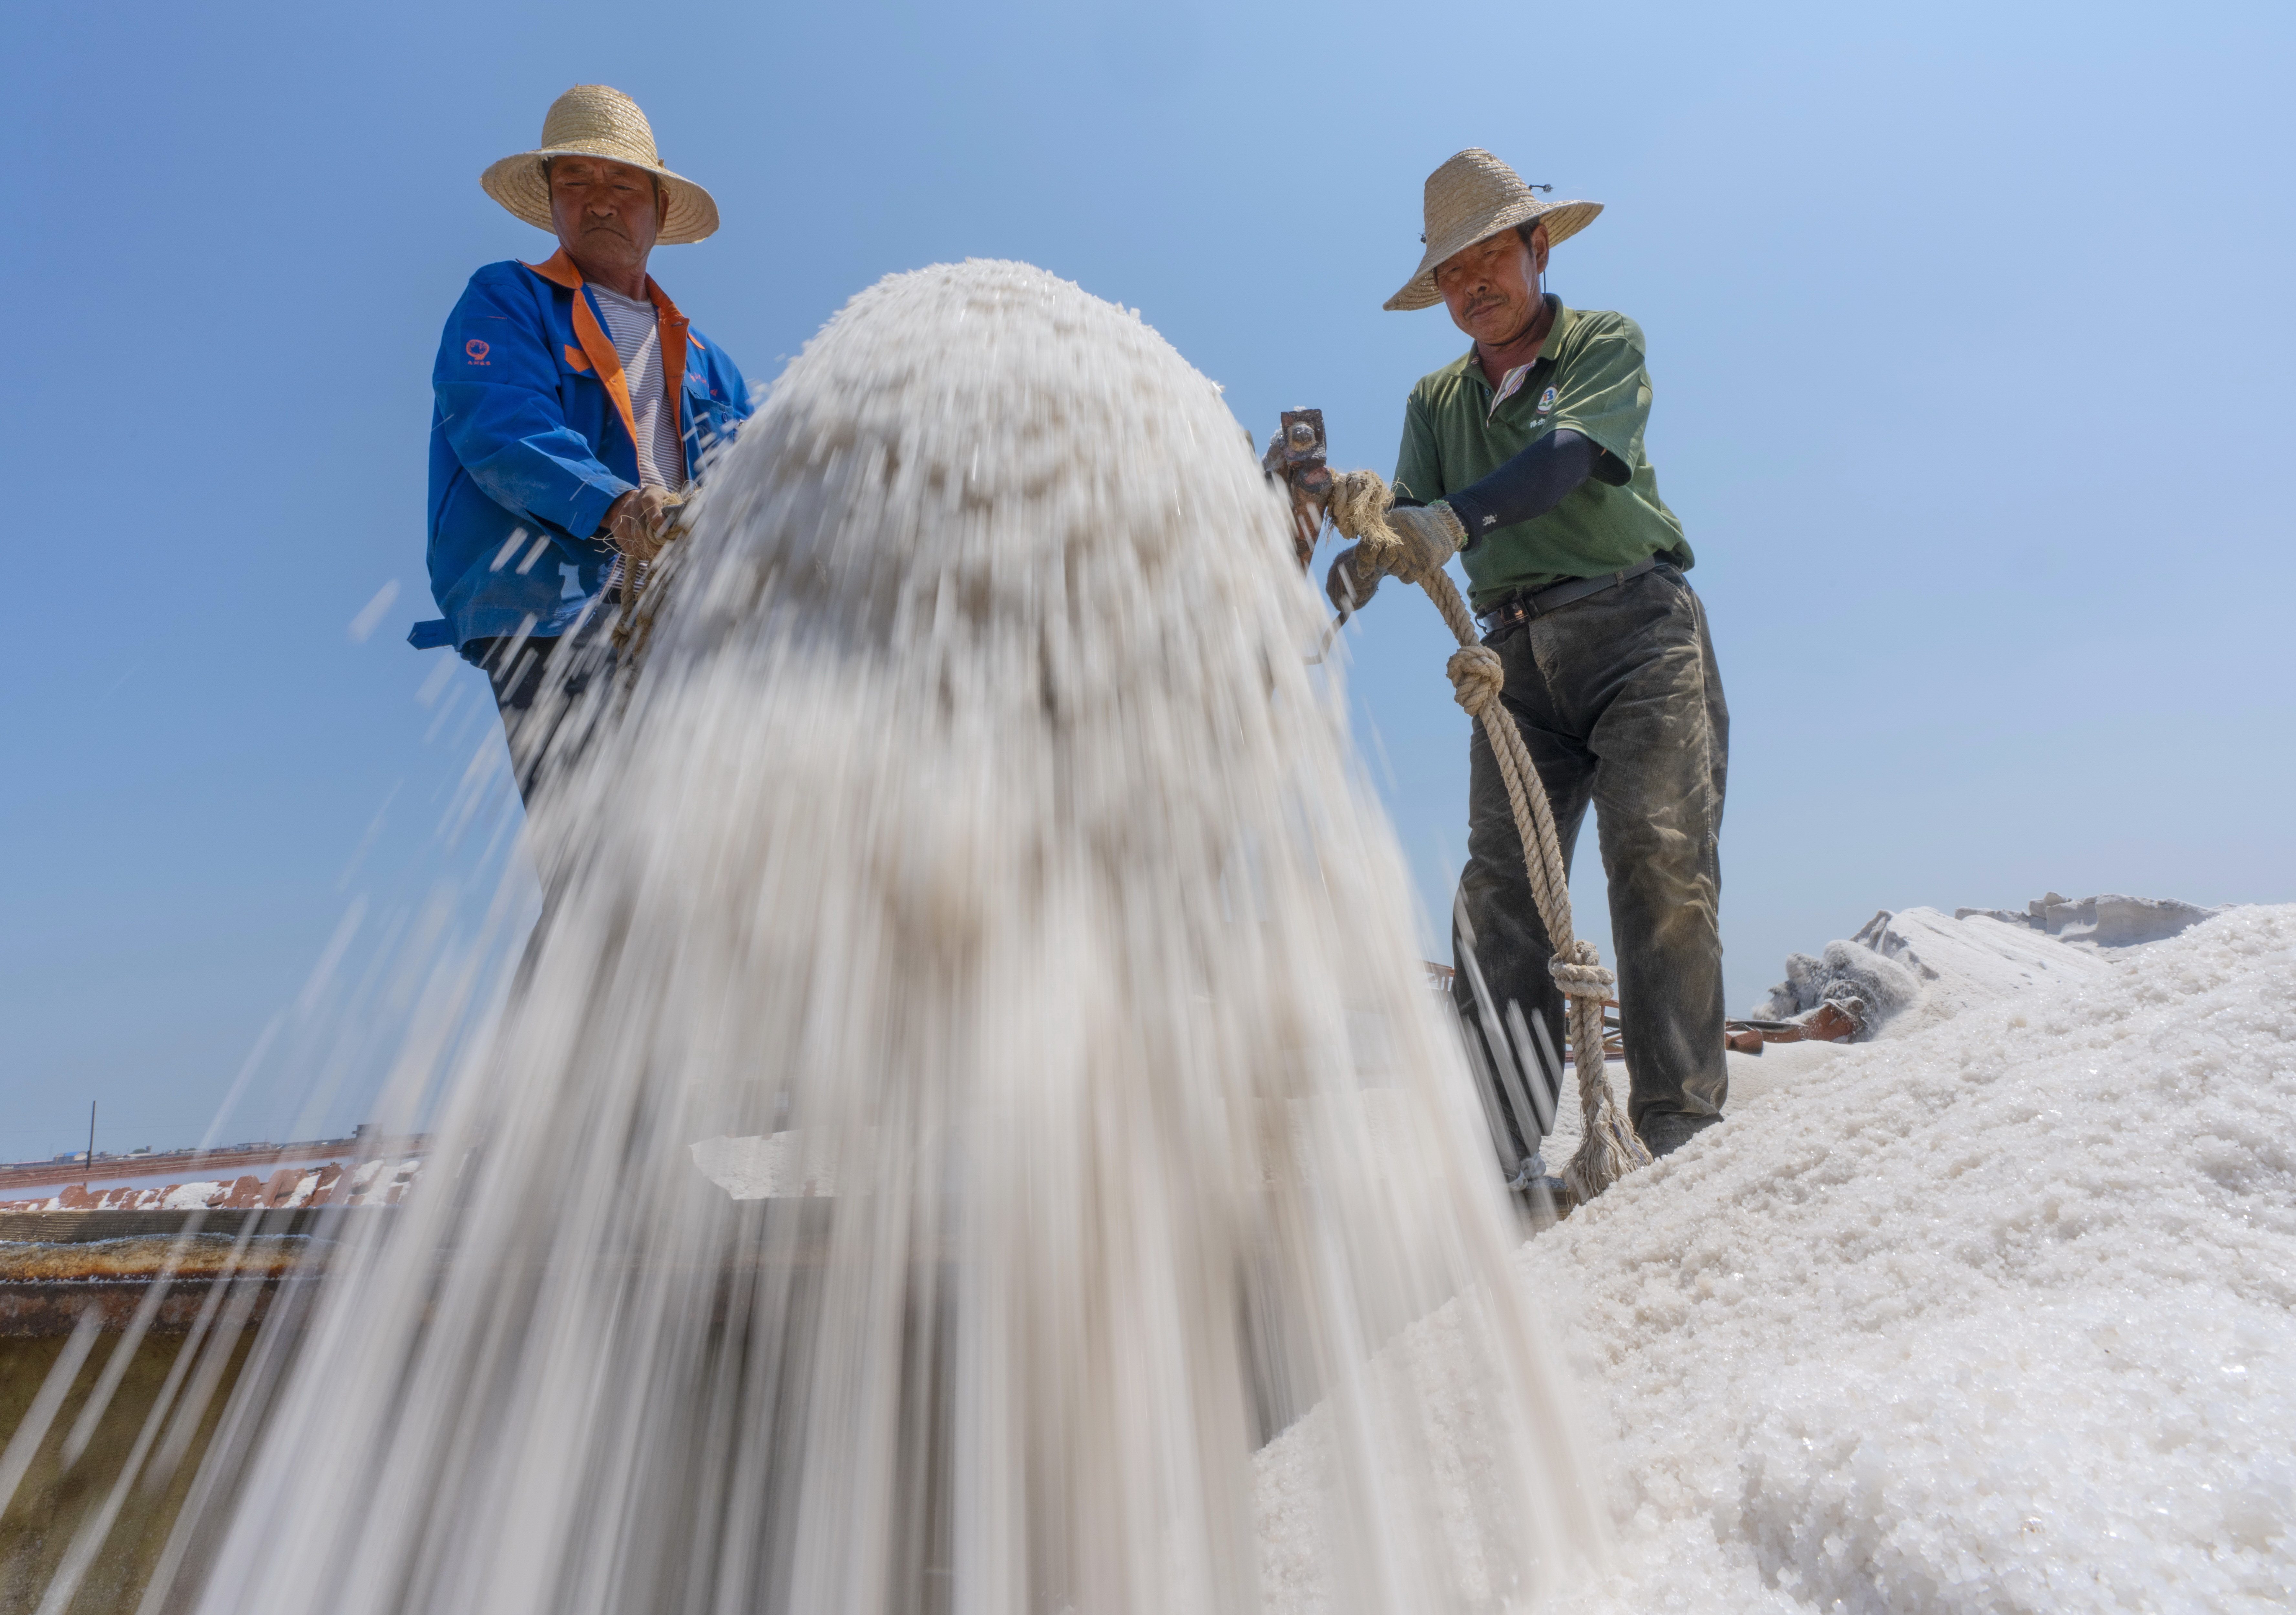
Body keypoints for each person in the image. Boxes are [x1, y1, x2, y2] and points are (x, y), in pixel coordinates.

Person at [1328, 148, 1729, 1167]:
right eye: (1451, 276)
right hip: (1514, 665)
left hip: (1635, 631)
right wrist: (1342, 564)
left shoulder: (1603, 344)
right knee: (1497, 893)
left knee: (1657, 855)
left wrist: (1451, 522)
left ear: (1536, 247)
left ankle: (1678, 1131)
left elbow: (1562, 463)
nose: (1471, 288)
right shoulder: (1435, 403)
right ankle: (1498, 1154)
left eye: (1488, 259)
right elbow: (1406, 533)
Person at [408, 84, 753, 796]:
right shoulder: (509, 299)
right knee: (597, 853)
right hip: (551, 603)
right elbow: (503, 428)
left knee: (715, 841)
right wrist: (620, 505)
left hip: (688, 615)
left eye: (622, 183)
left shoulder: (712, 367)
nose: (598, 200)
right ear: (552, 201)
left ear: (659, 207)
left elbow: (755, 478)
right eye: (575, 181)